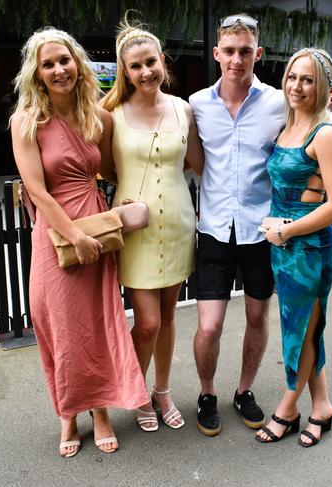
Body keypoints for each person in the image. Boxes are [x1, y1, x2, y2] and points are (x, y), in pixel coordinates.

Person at [10, 27, 148, 458]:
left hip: (97, 227)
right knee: (60, 326)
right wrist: (74, 237)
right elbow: (37, 190)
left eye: (64, 61)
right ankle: (68, 412)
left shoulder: (96, 116)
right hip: (56, 235)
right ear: (36, 72)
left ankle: (101, 410)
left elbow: (105, 168)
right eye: (48, 64)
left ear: (78, 65)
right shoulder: (26, 121)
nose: (58, 70)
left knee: (97, 324)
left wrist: (123, 202)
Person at [100, 20, 203, 433]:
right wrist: (124, 194)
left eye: (151, 62)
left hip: (178, 222)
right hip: (137, 230)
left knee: (169, 314)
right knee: (146, 321)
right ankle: (136, 390)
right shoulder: (111, 115)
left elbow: (197, 162)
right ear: (125, 72)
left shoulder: (183, 109)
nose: (146, 72)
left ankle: (162, 390)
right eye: (136, 66)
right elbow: (104, 169)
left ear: (163, 61)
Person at [188, 13, 286, 437]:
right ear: (216, 54)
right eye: (229, 51)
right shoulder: (196, 104)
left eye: (245, 51)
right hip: (213, 229)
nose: (236, 59)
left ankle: (244, 390)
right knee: (209, 325)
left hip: (260, 230)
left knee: (257, 318)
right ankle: (207, 393)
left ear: (258, 53)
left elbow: (312, 137)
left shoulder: (279, 103)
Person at [256, 47, 332, 448]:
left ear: (323, 86)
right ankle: (323, 406)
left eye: (308, 79)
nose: (297, 85)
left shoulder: (325, 134)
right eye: (293, 76)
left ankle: (289, 407)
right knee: (307, 329)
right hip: (284, 245)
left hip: (309, 248)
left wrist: (288, 230)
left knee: (301, 333)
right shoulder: (288, 127)